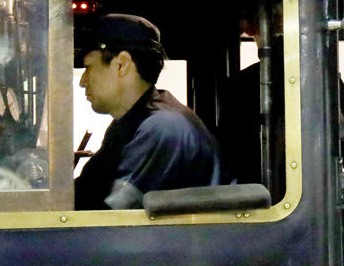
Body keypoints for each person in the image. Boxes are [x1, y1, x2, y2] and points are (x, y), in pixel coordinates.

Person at [74, 13, 230, 210]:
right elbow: (85, 192)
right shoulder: (129, 124)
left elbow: (110, 215)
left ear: (122, 64)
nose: (82, 81)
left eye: (88, 67)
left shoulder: (162, 127)